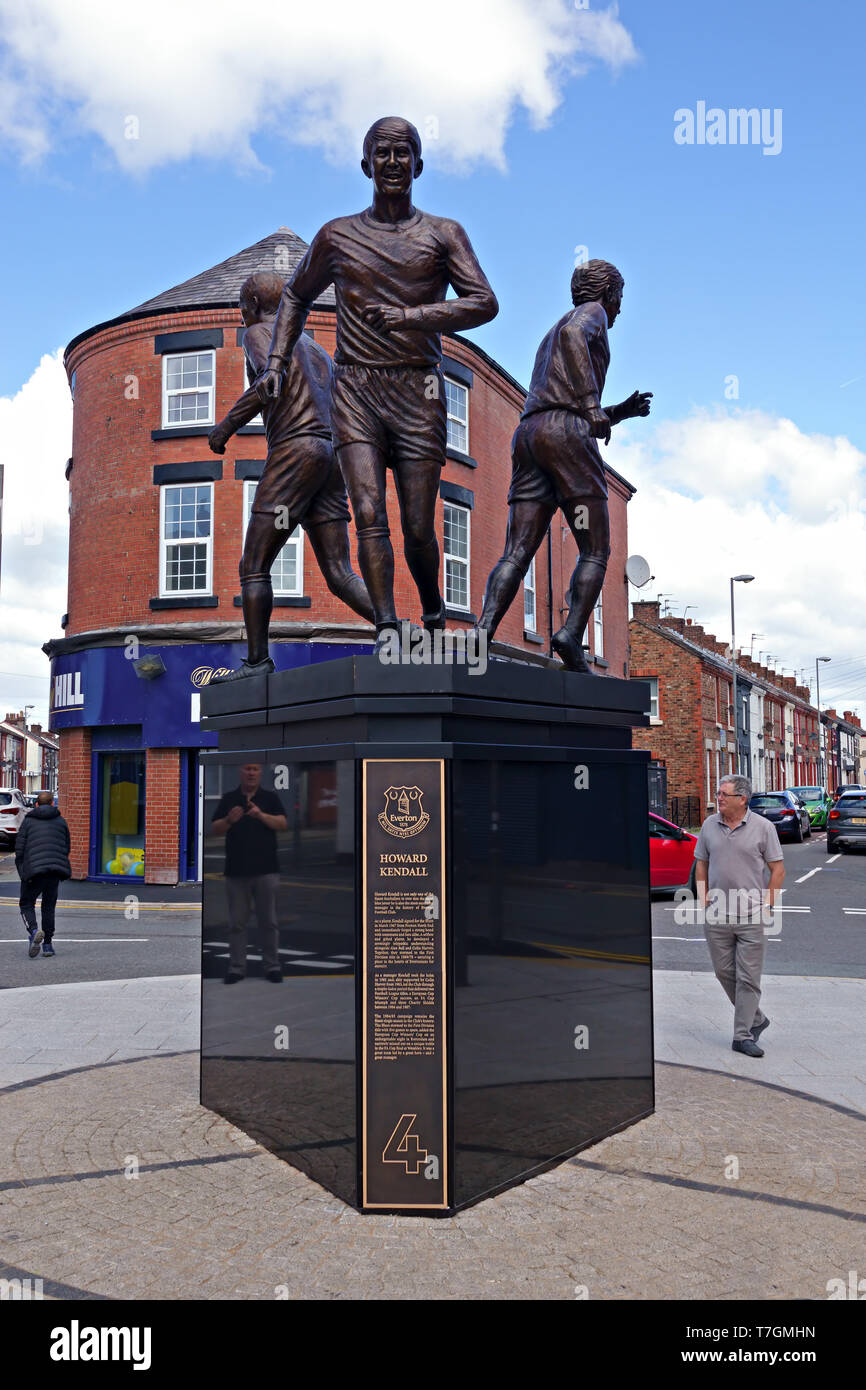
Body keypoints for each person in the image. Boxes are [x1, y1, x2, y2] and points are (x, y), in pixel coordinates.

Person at [256, 116, 498, 648]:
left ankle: (432, 609)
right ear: (366, 165)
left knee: (416, 527)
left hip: (419, 391)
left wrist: (414, 318)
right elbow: (295, 296)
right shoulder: (337, 235)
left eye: (403, 153)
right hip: (357, 389)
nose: (393, 162)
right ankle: (387, 625)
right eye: (382, 154)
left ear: (418, 164)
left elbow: (485, 302)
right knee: (368, 513)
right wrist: (275, 362)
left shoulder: (443, 233)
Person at [477, 259, 651, 672]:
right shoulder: (587, 317)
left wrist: (617, 412)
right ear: (607, 294)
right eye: (620, 297)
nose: (621, 308)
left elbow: (559, 396)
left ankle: (481, 632)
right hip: (567, 435)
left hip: (530, 433)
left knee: (516, 552)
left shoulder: (549, 335)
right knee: (596, 548)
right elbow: (575, 387)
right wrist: (592, 409)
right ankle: (571, 636)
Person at [208, 271, 373, 680]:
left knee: (254, 564)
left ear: (252, 305)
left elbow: (269, 382)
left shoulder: (262, 332)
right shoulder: (318, 350)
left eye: (242, 306)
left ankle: (258, 663)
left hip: (296, 450)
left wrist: (225, 427)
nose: (241, 314)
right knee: (340, 572)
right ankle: (401, 632)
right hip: (330, 457)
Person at [693, 774, 785, 1057]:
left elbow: (777, 870)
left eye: (723, 794)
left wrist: (767, 906)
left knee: (748, 978)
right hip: (718, 915)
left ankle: (742, 1035)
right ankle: (756, 1018)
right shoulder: (709, 825)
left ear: (742, 799)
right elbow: (701, 864)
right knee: (724, 973)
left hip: (751, 916)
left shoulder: (763, 828)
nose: (718, 798)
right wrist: (702, 897)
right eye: (718, 793)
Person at [211, 764, 288, 983]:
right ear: (240, 772)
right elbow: (215, 828)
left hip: (266, 870)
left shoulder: (269, 798)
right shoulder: (229, 798)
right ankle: (236, 968)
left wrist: (260, 815)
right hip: (236, 872)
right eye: (247, 769)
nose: (251, 773)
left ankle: (272, 966)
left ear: (260, 773)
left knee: (269, 923)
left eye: (255, 769)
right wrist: (229, 820)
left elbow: (282, 824)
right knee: (236, 924)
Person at [16, 790, 71, 958]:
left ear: (37, 804)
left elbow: (20, 849)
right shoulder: (61, 822)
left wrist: (23, 871)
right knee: (48, 907)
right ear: (52, 804)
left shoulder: (28, 822)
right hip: (54, 871)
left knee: (26, 904)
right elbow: (66, 846)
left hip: (34, 871)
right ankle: (47, 945)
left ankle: (33, 932)